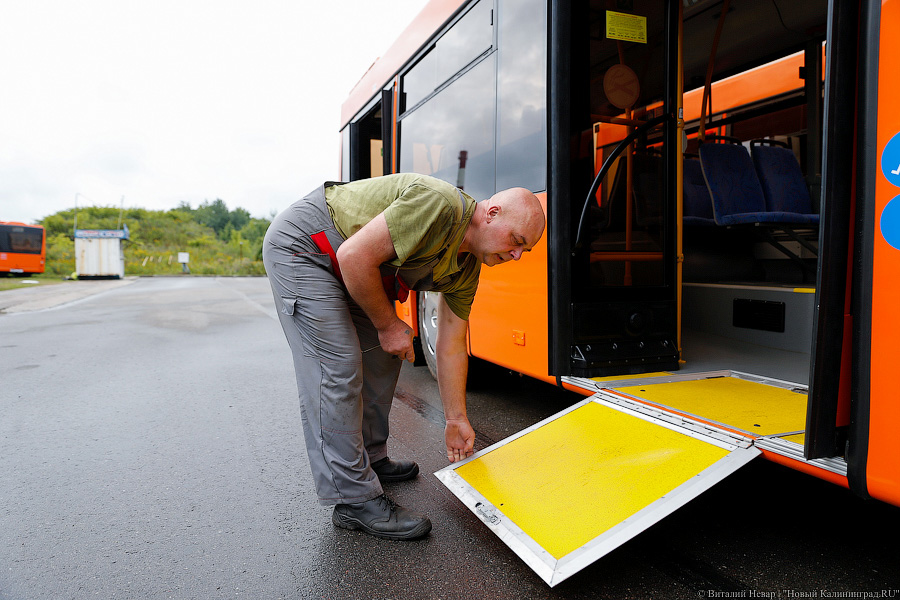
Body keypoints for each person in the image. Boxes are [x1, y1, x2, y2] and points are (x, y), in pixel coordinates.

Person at [262, 172, 545, 540]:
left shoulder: (467, 268)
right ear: (491, 213)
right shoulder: (439, 205)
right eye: (517, 240)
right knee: (338, 365)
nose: (517, 255)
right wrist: (388, 324)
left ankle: (372, 459)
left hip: (352, 265)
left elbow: (451, 345)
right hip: (308, 248)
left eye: (525, 251)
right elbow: (354, 255)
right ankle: (353, 500)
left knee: (383, 357)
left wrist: (456, 418)